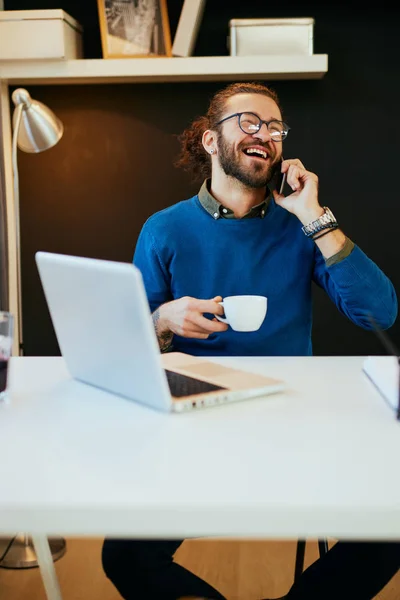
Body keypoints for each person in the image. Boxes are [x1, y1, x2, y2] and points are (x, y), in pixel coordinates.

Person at [102, 82, 399, 599]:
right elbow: (125, 348)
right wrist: (163, 320)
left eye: (275, 127)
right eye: (249, 122)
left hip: (294, 428)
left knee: (390, 530)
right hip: (193, 433)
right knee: (124, 555)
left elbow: (379, 312)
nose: (266, 134)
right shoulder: (164, 230)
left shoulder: (299, 229)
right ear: (211, 141)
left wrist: (313, 216)